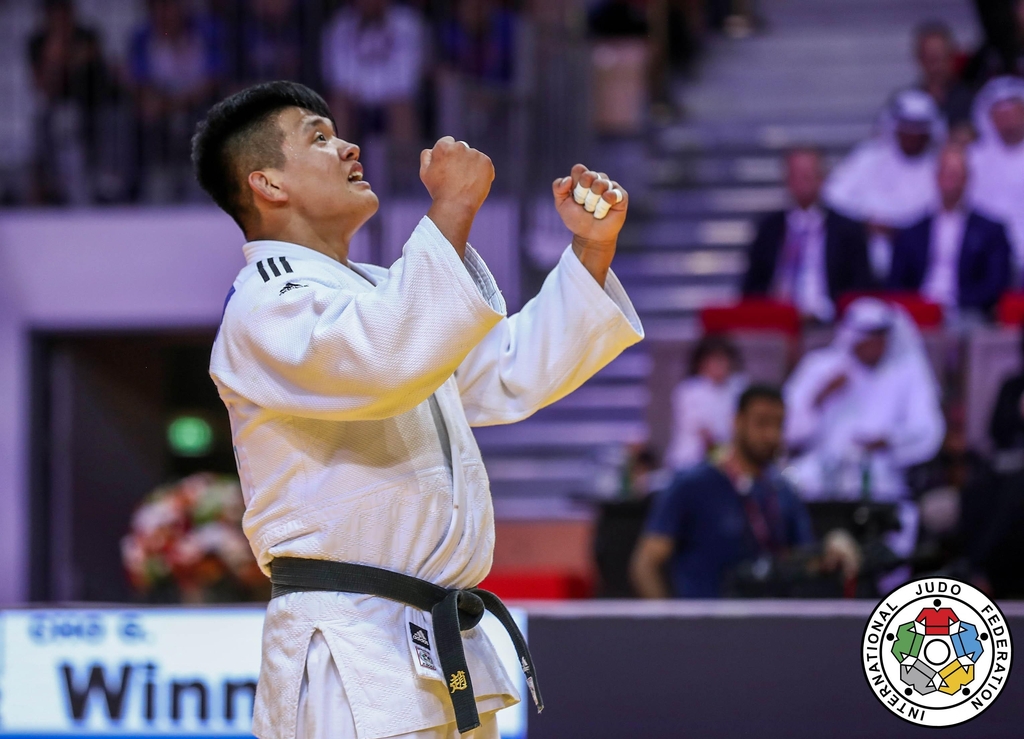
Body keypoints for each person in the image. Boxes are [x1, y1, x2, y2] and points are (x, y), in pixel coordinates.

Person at [193, 81, 643, 739]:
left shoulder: (379, 293)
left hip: (430, 640)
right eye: (318, 137)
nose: (348, 146)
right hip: (348, 649)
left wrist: (591, 251)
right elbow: (385, 356)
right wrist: (455, 204)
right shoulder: (264, 303)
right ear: (267, 184)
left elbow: (508, 371)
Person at [630, 385, 860, 598]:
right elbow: (646, 563)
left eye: (778, 425)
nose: (771, 435)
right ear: (737, 422)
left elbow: (804, 561)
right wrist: (670, 626)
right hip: (707, 629)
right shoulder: (691, 486)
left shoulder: (783, 491)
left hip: (770, 629)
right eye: (761, 423)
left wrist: (829, 548)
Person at [783, 298, 945, 588]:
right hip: (821, 469)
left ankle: (884, 589)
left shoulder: (906, 372)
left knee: (896, 517)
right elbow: (786, 430)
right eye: (868, 340)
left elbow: (928, 430)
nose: (876, 347)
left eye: (881, 340)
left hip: (881, 471)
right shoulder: (822, 367)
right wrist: (821, 397)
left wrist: (889, 440)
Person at [742, 147, 874, 322]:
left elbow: (861, 288)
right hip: (777, 320)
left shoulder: (847, 229)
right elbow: (752, 286)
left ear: (822, 178)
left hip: (832, 323)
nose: (802, 182)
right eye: (796, 175)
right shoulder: (769, 228)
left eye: (808, 175)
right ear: (786, 179)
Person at [889, 144, 1012, 317]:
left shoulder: (990, 231)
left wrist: (953, 304)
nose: (950, 180)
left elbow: (995, 284)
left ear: (967, 179)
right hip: (919, 311)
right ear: (936, 177)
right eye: (946, 173)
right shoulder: (911, 232)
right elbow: (896, 284)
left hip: (968, 311)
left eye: (956, 174)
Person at [129, 0, 225, 202]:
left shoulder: (204, 32)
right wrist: (161, 103)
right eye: (160, 7)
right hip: (159, 114)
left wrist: (179, 102)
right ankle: (154, 179)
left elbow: (214, 78)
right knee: (144, 116)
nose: (166, 13)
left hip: (198, 108)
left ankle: (202, 181)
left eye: (171, 6)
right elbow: (138, 81)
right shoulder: (142, 38)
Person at [26, 0, 119, 204]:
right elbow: (44, 87)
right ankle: (57, 189)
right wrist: (57, 52)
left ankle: (105, 184)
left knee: (114, 118)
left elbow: (101, 74)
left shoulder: (88, 34)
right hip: (57, 110)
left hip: (94, 107)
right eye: (55, 14)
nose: (60, 19)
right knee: (60, 120)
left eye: (64, 12)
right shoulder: (38, 41)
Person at [824, 89, 944, 232]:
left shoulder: (939, 167)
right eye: (906, 129)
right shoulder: (869, 156)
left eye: (918, 131)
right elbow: (833, 197)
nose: (912, 137)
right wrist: (865, 222)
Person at [321, 0, 425, 147]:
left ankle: (405, 168)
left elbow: (406, 77)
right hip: (353, 98)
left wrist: (379, 94)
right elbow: (339, 76)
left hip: (394, 97)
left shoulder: (407, 23)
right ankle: (335, 165)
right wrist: (362, 93)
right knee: (339, 104)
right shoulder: (340, 24)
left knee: (402, 108)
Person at [664, 335, 746, 470]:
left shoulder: (739, 387)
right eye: (715, 361)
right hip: (690, 461)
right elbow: (705, 435)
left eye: (723, 360)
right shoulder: (689, 391)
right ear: (702, 364)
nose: (720, 365)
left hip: (732, 460)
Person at [968, 76, 1024, 273]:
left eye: (1012, 112)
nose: (1007, 119)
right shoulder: (972, 158)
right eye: (1000, 113)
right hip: (985, 256)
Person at [912, 21, 974, 138]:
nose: (935, 66)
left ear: (953, 57)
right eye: (930, 58)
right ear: (919, 59)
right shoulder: (906, 101)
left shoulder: (973, 101)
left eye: (940, 58)